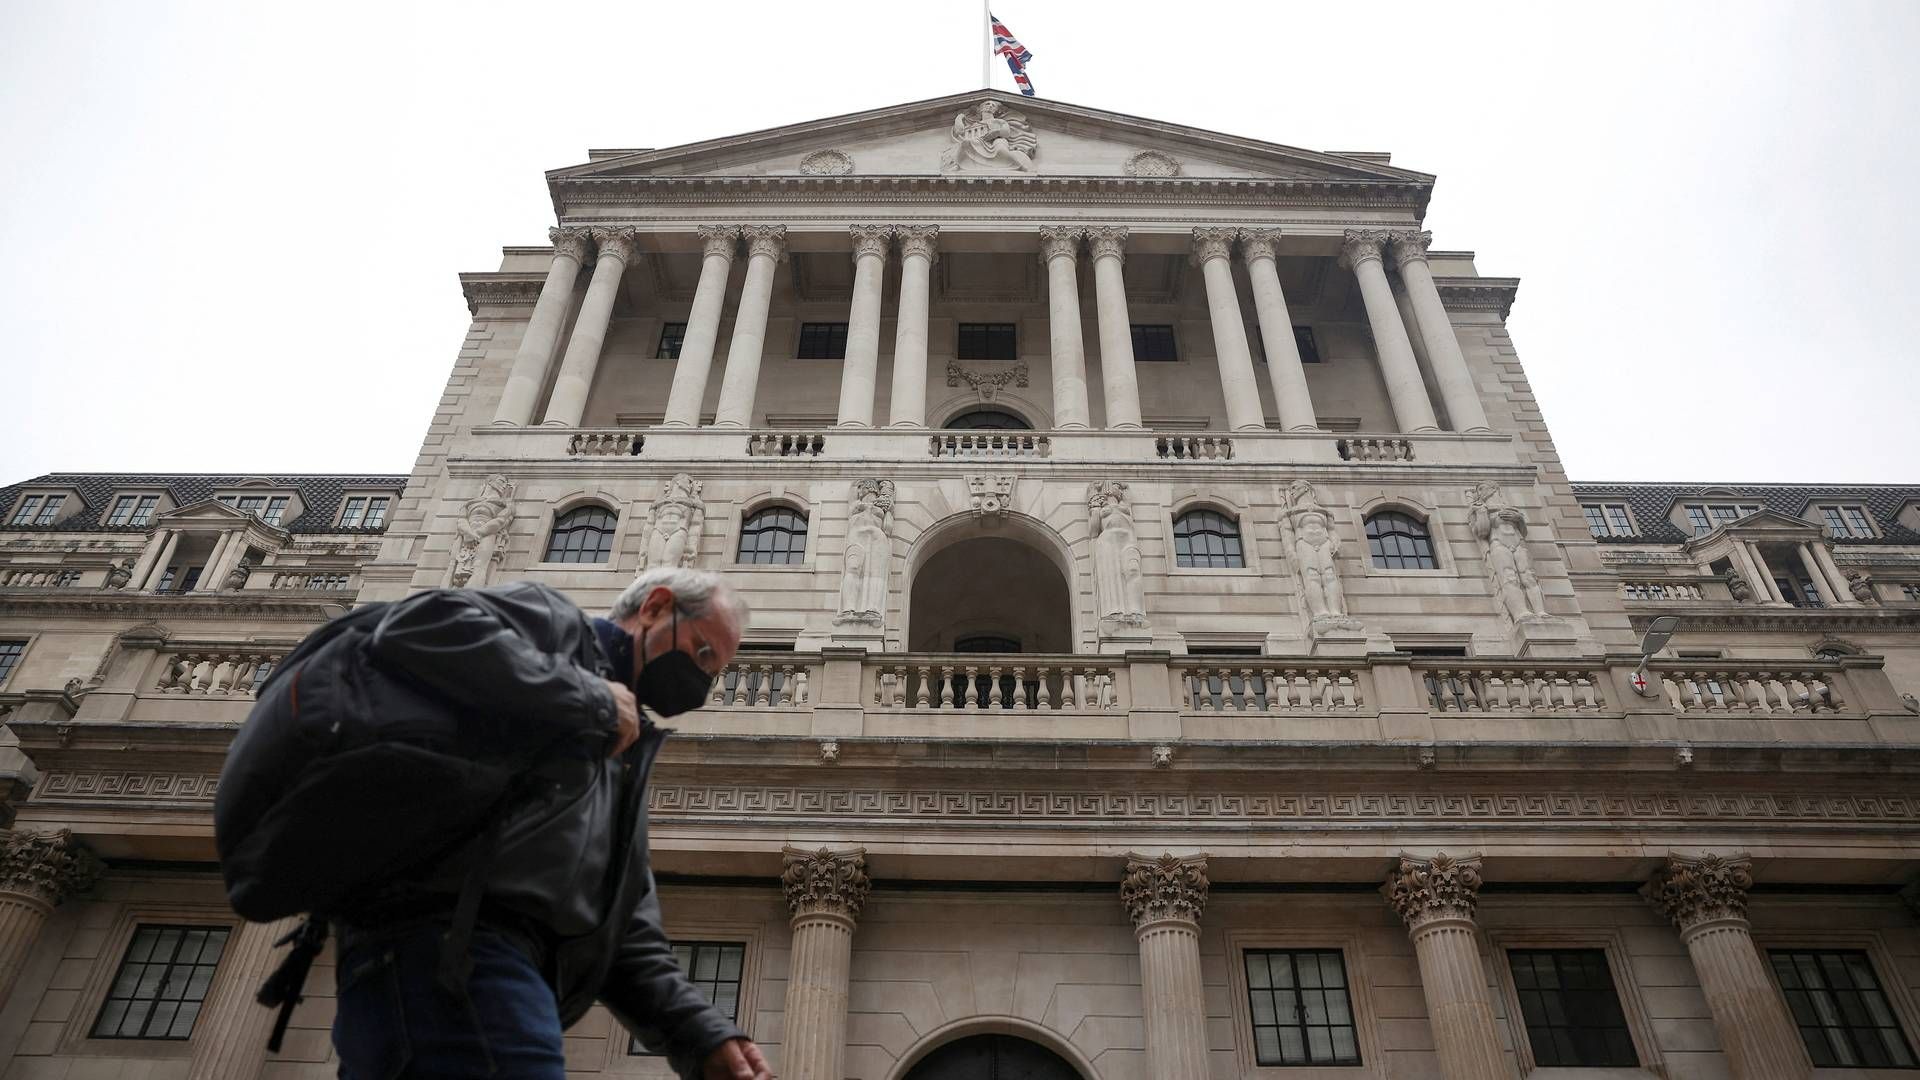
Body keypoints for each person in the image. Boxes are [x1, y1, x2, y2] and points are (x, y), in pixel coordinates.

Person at [330, 566, 773, 1080]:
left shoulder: (627, 751)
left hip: (483, 976)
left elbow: (624, 928)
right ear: (654, 608)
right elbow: (418, 625)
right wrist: (587, 699)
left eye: (713, 671)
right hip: (453, 957)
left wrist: (704, 1035)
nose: (701, 681)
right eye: (701, 653)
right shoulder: (553, 624)